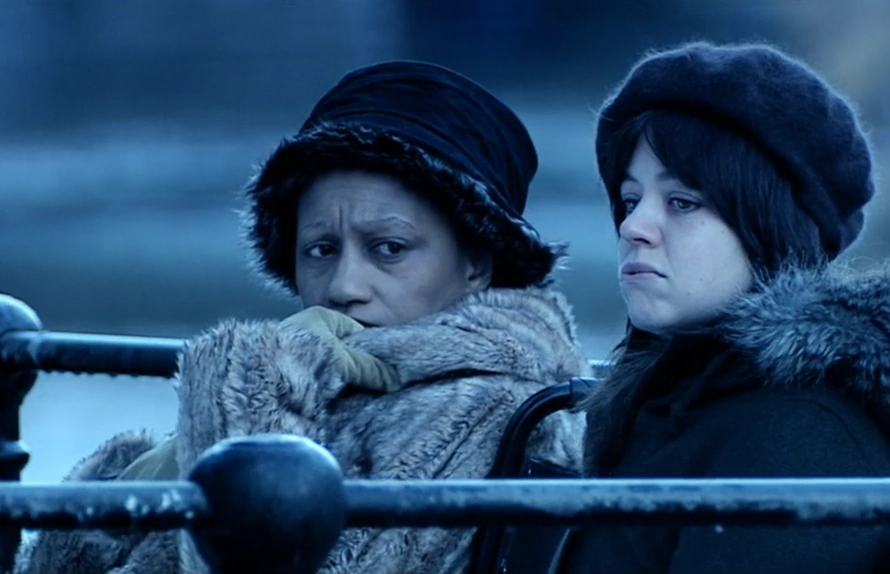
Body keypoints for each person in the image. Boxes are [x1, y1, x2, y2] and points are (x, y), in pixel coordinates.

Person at [17, 61, 589, 574]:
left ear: (477, 264)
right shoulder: (322, 378)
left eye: (389, 248)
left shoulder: (482, 407)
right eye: (320, 249)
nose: (343, 286)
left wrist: (253, 377)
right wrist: (166, 461)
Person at [560, 41, 890, 573]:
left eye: (682, 202)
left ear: (770, 225)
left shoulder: (798, 440)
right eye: (631, 199)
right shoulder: (669, 400)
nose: (633, 227)